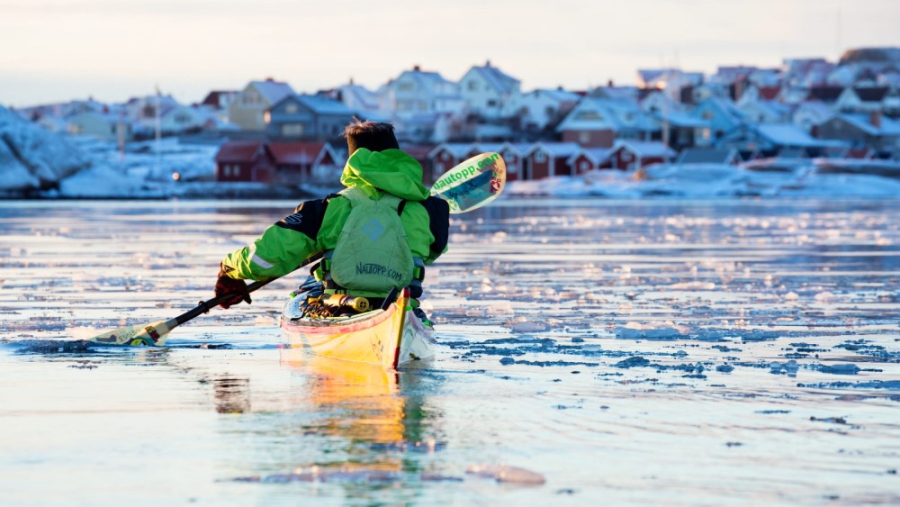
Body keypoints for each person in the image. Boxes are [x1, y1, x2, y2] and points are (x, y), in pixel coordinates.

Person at [214, 120, 449, 316]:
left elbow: (265, 258)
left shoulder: (328, 208)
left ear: (353, 160)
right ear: (398, 155)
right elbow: (432, 252)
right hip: (401, 311)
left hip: (340, 308)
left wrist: (229, 268)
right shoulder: (431, 209)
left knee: (309, 292)